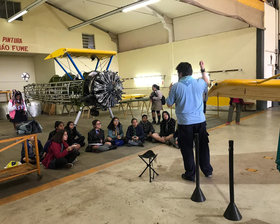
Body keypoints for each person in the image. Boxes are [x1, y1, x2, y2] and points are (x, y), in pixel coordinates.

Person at [166, 61, 213, 182]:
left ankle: (190, 174)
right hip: (200, 121)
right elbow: (207, 82)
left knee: (187, 149)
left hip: (185, 123)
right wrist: (202, 69)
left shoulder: (176, 86)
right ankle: (207, 171)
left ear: (180, 73)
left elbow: (169, 104)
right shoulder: (199, 82)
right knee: (203, 146)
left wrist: (170, 90)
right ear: (191, 72)